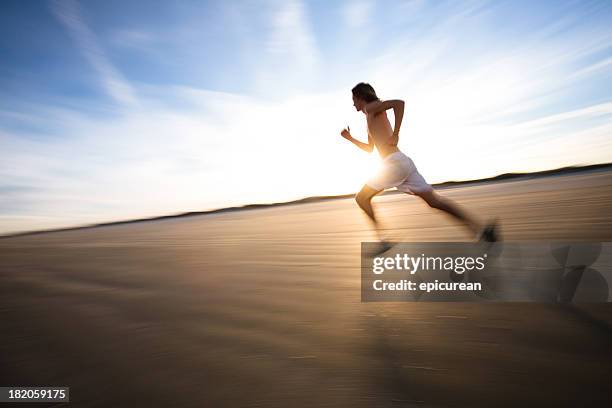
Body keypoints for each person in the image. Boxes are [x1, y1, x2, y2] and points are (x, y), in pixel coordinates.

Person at [340, 82, 497, 247]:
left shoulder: (371, 107)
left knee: (361, 198)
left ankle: (383, 240)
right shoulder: (370, 116)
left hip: (393, 165)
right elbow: (369, 149)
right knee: (435, 202)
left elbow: (399, 104)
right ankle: (482, 231)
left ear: (360, 96)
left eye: (353, 99)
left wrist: (396, 134)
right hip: (402, 163)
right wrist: (350, 138)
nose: (353, 104)